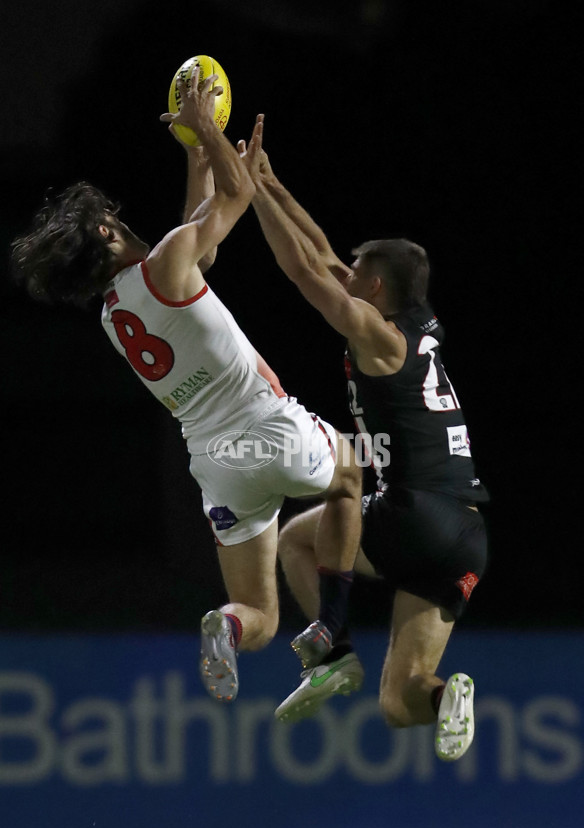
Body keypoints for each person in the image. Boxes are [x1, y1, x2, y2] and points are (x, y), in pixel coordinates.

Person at [10, 72, 362, 706]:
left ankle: (225, 625)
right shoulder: (166, 261)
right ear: (105, 234)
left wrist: (197, 155)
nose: (122, 220)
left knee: (259, 613)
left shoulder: (115, 316)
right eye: (114, 218)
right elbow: (238, 193)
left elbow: (200, 252)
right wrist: (209, 132)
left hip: (218, 466)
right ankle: (342, 633)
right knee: (356, 475)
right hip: (269, 426)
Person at [238, 115, 489, 761]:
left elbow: (303, 269)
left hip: (416, 510)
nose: (341, 273)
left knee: (295, 541)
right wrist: (267, 183)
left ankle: (335, 653)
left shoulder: (379, 340)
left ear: (373, 286)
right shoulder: (415, 319)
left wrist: (243, 185)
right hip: (464, 534)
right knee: (401, 702)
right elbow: (321, 251)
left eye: (354, 272)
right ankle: (447, 697)